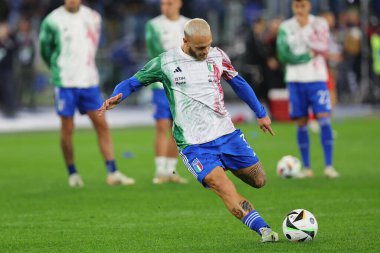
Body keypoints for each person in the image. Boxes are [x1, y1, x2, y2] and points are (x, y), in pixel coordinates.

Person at [99, 18, 279, 242]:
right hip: (195, 145)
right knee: (221, 186)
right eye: (200, 48)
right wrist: (118, 94)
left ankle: (225, 165)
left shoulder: (218, 55)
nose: (206, 51)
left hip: (226, 134)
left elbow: (239, 83)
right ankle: (265, 230)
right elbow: (133, 81)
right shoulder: (165, 62)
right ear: (185, 41)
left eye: (208, 45)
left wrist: (260, 113)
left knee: (259, 180)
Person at [39, 0, 135, 187]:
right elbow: (45, 49)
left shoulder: (93, 18)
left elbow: (92, 46)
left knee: (102, 124)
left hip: (89, 81)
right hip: (65, 82)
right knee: (67, 129)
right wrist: (58, 68)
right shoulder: (52, 21)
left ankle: (113, 172)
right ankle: (72, 173)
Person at [276, 0, 339, 178]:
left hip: (317, 78)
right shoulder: (286, 27)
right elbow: (282, 54)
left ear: (309, 6)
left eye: (303, 5)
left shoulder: (320, 23)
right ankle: (307, 168)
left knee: (324, 119)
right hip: (295, 79)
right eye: (296, 6)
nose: (300, 9)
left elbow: (322, 46)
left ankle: (329, 166)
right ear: (292, 7)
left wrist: (301, 51)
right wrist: (305, 55)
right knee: (301, 123)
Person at [145, 0, 189, 184]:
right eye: (163, 4)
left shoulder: (189, 24)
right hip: (161, 83)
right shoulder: (153, 25)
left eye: (169, 3)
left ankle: (171, 171)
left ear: (179, 3)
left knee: (177, 127)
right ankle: (159, 171)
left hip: (183, 84)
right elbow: (155, 52)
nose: (165, 7)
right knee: (162, 125)